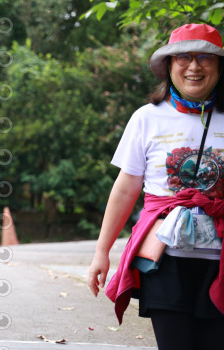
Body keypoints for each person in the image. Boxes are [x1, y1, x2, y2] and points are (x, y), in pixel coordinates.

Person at [87, 23, 224, 349]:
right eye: (184, 58)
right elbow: (125, 188)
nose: (194, 67)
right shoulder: (147, 118)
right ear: (169, 66)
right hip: (163, 261)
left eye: (205, 58)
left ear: (219, 66)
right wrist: (101, 252)